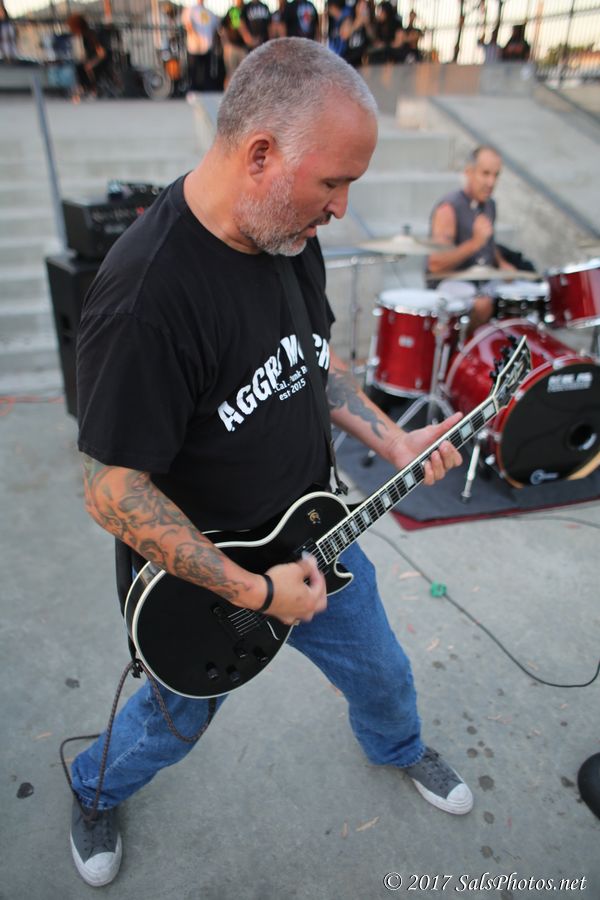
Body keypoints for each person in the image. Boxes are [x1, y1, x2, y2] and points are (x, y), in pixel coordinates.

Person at [69, 38, 472, 889]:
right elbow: (111, 490)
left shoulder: (287, 231)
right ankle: (92, 789)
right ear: (260, 155)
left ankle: (398, 746)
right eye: (333, 183)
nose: (342, 208)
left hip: (316, 529)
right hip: (209, 583)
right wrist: (256, 593)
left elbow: (312, 359)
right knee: (170, 726)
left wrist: (392, 439)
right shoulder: (147, 298)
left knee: (384, 672)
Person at [426, 145, 517, 331]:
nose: (491, 182)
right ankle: (468, 347)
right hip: (449, 284)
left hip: (481, 280)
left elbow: (488, 242)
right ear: (469, 172)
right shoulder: (449, 208)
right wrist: (474, 243)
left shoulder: (490, 204)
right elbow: (435, 264)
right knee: (483, 305)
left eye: (496, 175)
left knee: (520, 295)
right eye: (485, 173)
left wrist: (502, 264)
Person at [66, 13, 109, 98]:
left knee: (86, 67)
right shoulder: (83, 36)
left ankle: (93, 88)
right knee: (79, 66)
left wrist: (92, 62)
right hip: (91, 60)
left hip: (100, 61)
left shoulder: (92, 35)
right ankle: (85, 88)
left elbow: (102, 53)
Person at [181, 0, 220, 91]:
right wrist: (195, 37)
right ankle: (193, 87)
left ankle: (205, 87)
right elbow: (188, 24)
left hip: (207, 46)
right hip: (194, 46)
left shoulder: (210, 12)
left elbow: (215, 27)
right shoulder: (191, 10)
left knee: (206, 68)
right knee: (194, 68)